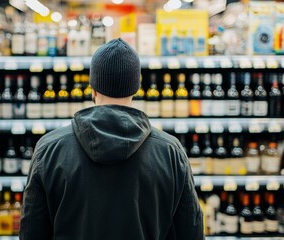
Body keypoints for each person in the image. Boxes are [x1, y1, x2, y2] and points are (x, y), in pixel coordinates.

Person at [20, 38, 204, 240]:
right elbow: (191, 230)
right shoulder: (170, 151)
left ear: (93, 88)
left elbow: (31, 232)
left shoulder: (49, 149)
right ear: (135, 89)